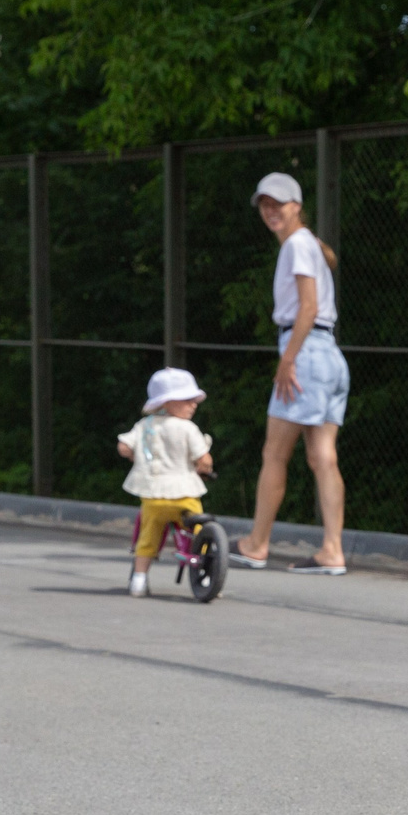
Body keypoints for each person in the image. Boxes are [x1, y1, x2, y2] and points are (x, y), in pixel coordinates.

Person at [233, 172, 349, 575]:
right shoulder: (308, 245)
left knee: (274, 453)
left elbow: (308, 306)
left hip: (307, 354)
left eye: (277, 203)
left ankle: (256, 544)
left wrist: (288, 360)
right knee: (322, 457)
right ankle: (332, 550)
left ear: (296, 206)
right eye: (264, 204)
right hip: (330, 357)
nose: (270, 211)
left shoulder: (297, 245)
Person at [115, 368, 216, 598]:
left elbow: (124, 446)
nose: (194, 404)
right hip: (185, 496)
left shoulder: (145, 426)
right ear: (168, 402)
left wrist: (133, 453)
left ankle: (139, 581)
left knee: (148, 538)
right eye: (188, 400)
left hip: (153, 496)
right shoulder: (188, 429)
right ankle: (209, 574)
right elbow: (204, 458)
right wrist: (204, 468)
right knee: (199, 532)